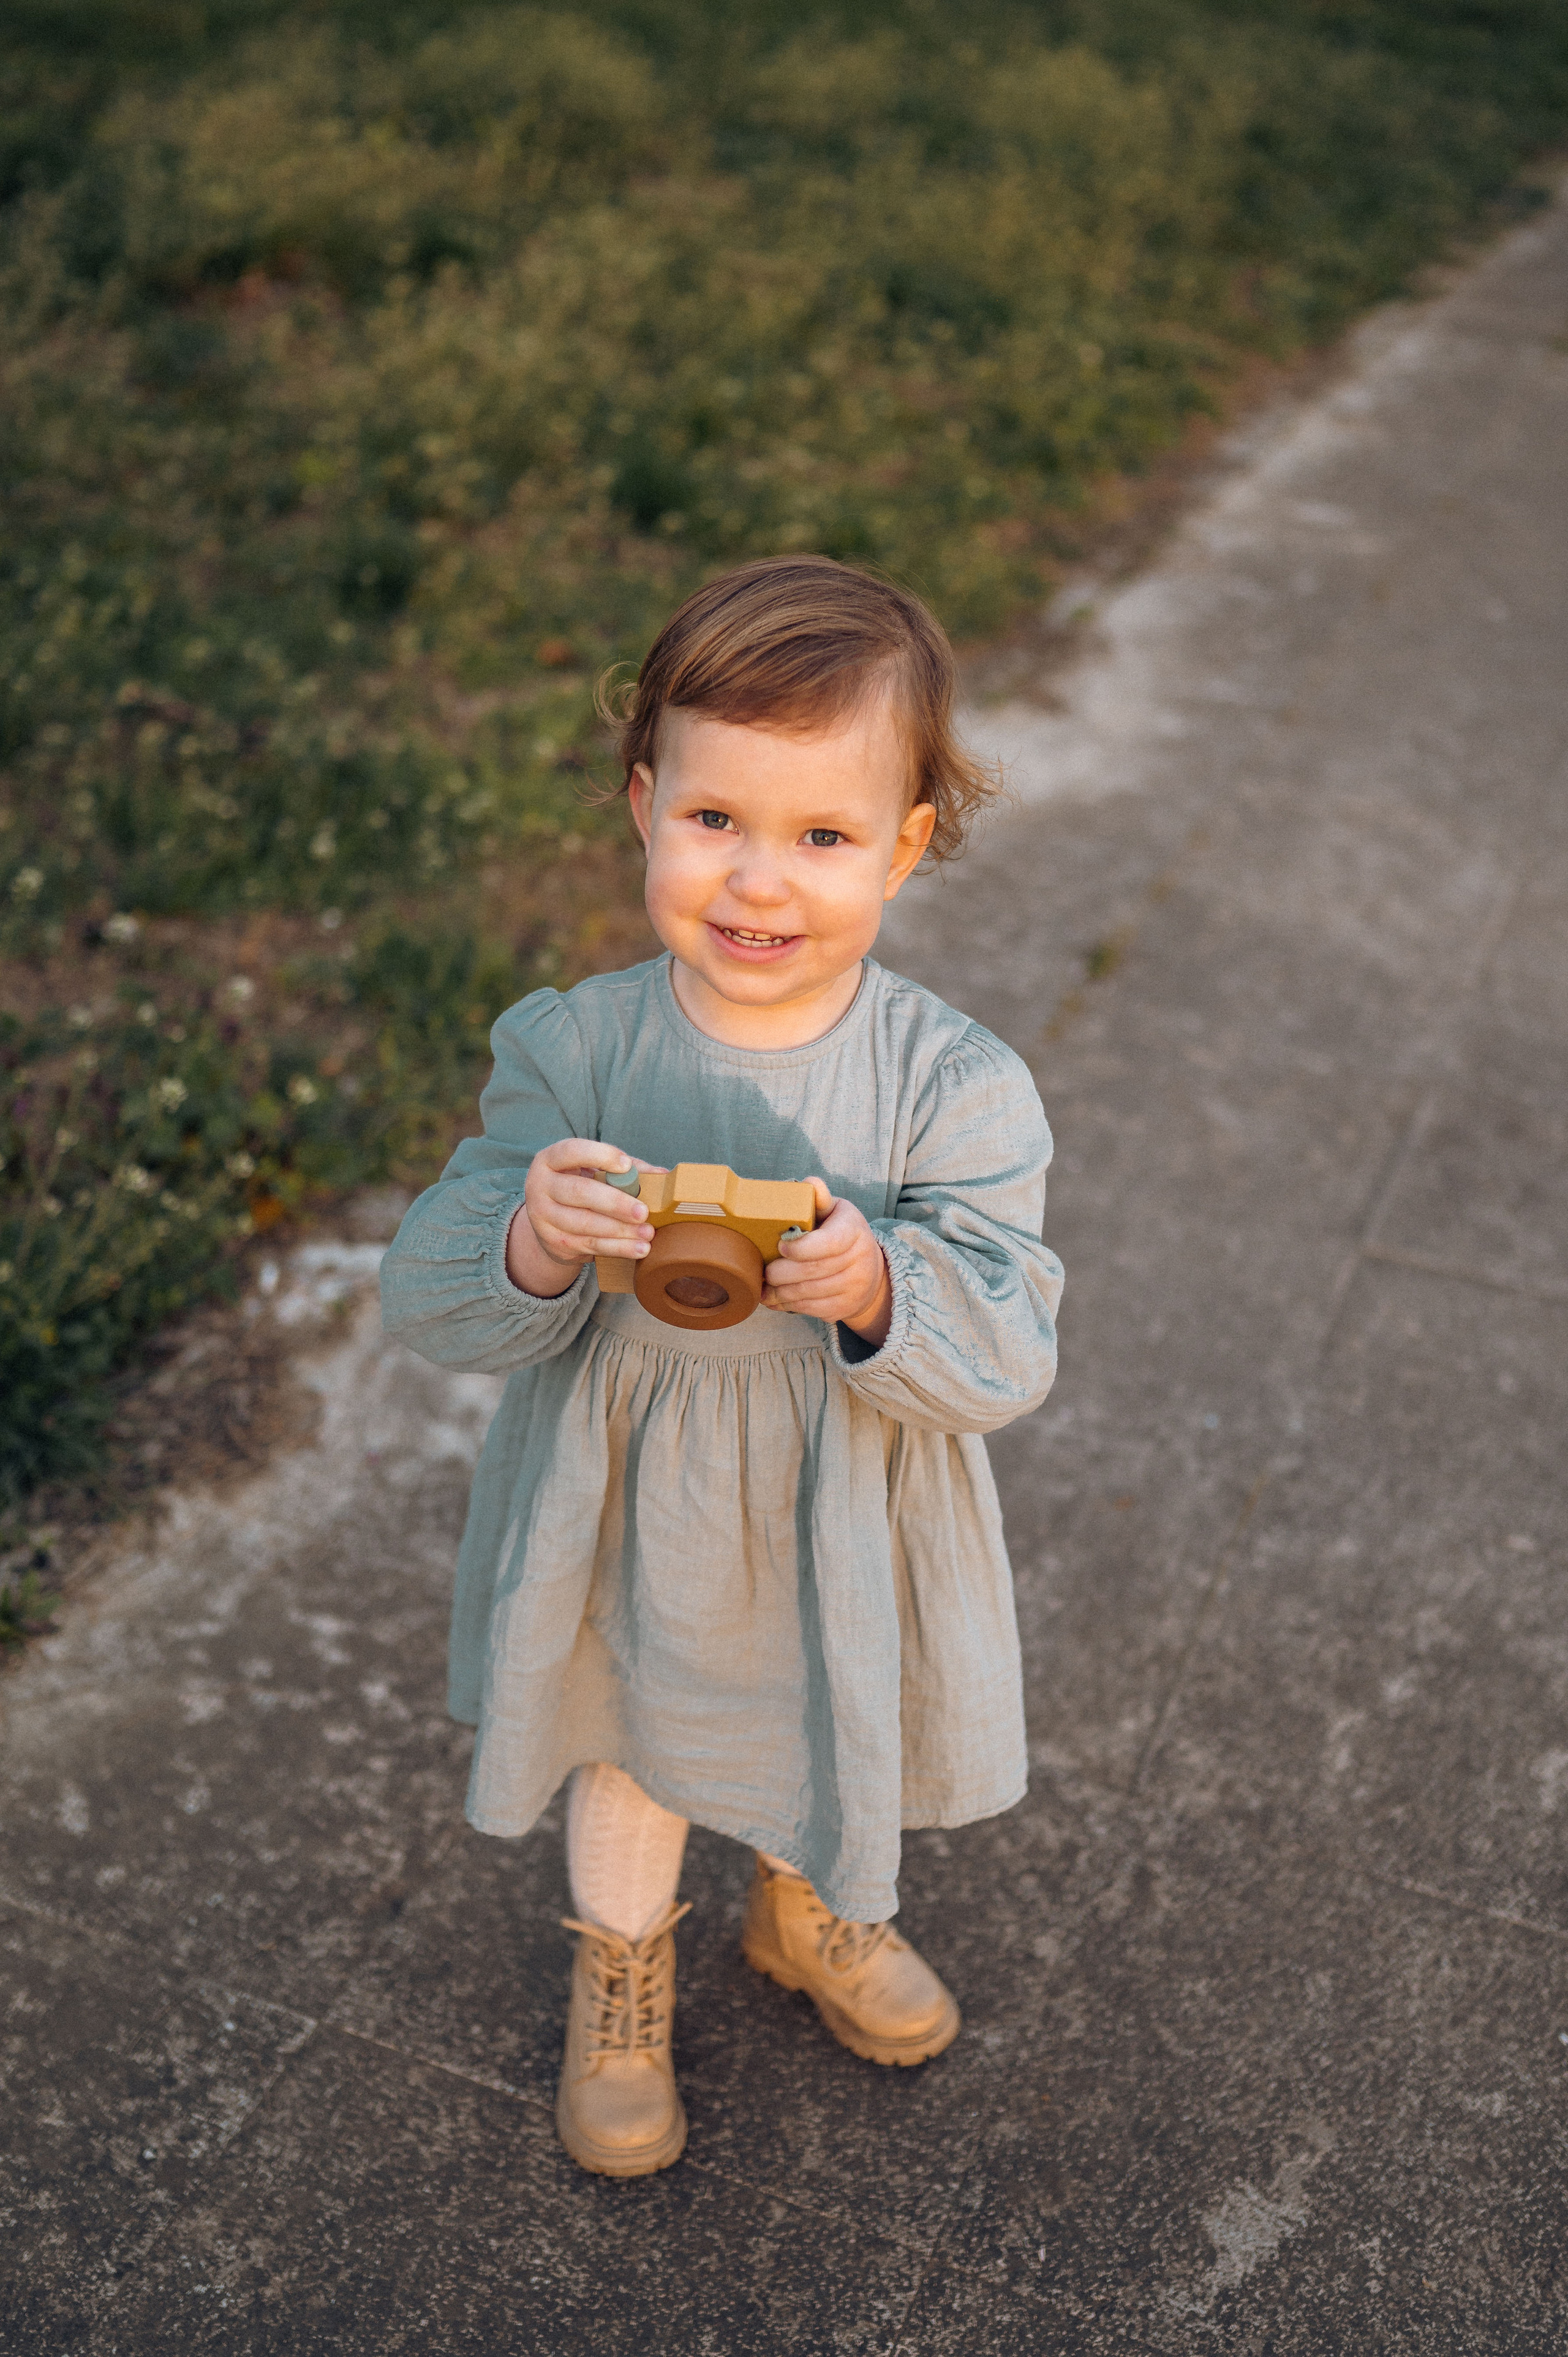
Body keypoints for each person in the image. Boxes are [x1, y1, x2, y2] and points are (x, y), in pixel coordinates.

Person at [380, 554, 1063, 2177]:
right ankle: (623, 1963)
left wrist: (881, 1279)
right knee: (630, 1732)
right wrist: (534, 1239)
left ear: (904, 846)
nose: (759, 884)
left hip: (845, 1490)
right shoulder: (578, 1049)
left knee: (826, 1706)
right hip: (629, 1492)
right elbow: (435, 1293)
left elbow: (1012, 1340)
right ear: (641, 802)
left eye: (823, 837)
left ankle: (810, 1908)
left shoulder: (951, 1085)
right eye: (715, 822)